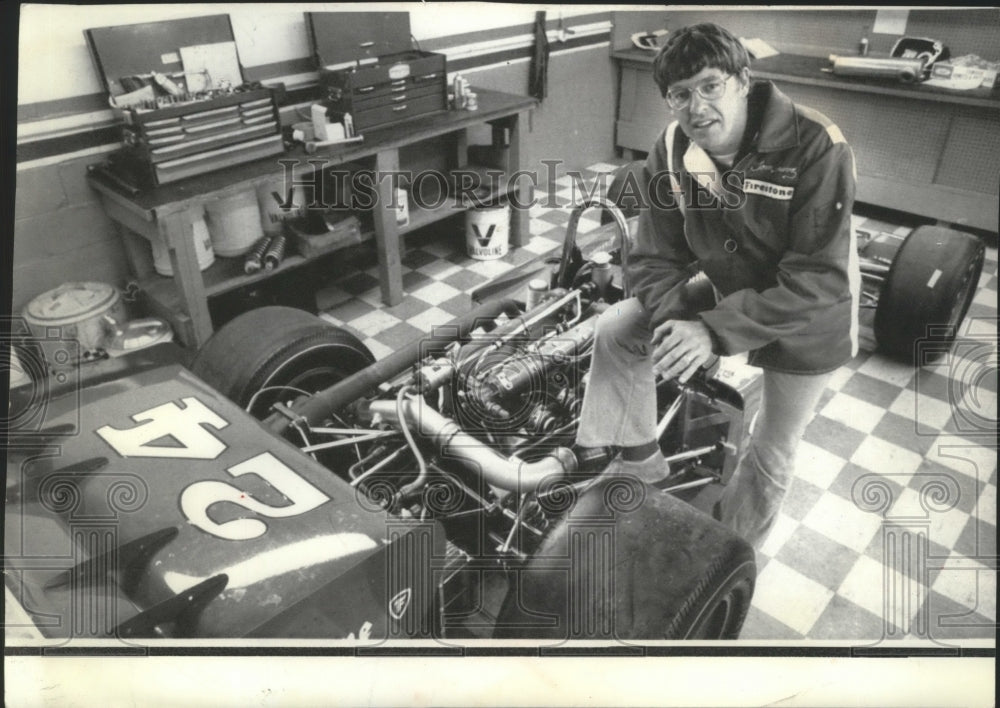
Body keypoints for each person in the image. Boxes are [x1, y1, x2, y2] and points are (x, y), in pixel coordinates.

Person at [575, 22, 860, 549]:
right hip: (729, 287)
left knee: (773, 448)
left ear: (744, 81)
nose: (696, 105)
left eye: (711, 85)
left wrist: (712, 332)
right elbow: (655, 256)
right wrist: (676, 320)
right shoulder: (669, 147)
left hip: (807, 314)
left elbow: (817, 279)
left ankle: (728, 556)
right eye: (680, 94)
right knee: (616, 326)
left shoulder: (818, 145)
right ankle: (641, 463)